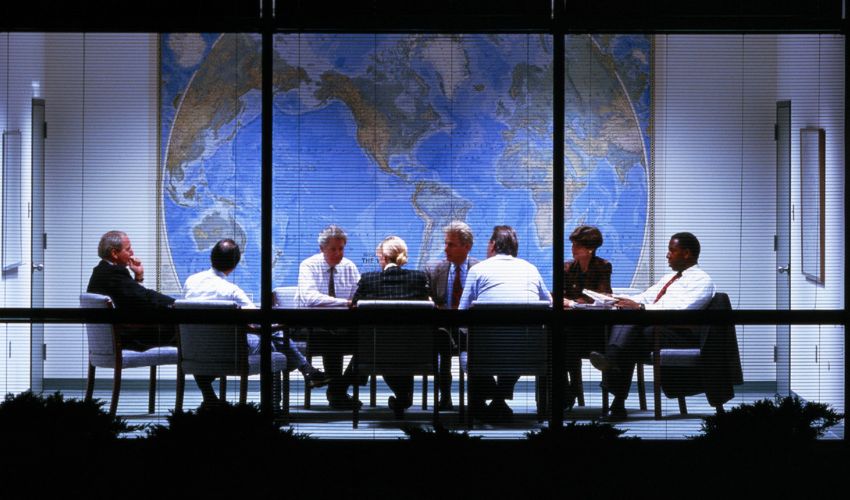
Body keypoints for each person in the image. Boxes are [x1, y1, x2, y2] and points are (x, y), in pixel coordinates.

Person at [183, 239, 329, 405]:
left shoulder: (190, 282)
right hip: (231, 353)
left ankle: (210, 398)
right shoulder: (231, 292)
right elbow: (258, 320)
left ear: (211, 257)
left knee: (272, 336)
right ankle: (301, 375)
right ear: (235, 263)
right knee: (274, 336)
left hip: (195, 351)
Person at [590, 232, 715, 419]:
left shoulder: (702, 280)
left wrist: (640, 308)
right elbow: (646, 297)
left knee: (629, 334)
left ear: (687, 253)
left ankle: (612, 364)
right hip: (655, 330)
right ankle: (616, 395)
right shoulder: (670, 278)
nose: (667, 255)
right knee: (628, 334)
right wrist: (620, 300)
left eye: (672, 251)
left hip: (678, 333)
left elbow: (682, 310)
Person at [458, 225, 551, 421]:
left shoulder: (478, 270)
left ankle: (489, 402)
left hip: (485, 354)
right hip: (528, 353)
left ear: (492, 245)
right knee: (515, 348)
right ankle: (499, 400)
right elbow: (548, 305)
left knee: (469, 350)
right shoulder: (530, 269)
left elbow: (462, 316)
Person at [351, 236, 431, 418]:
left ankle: (340, 385)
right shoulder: (418, 278)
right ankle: (404, 398)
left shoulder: (368, 279)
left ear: (383, 258)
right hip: (414, 352)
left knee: (385, 343)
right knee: (402, 341)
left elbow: (355, 307)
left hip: (376, 352)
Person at [295, 224, 363, 409]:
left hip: (342, 326)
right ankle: (337, 393)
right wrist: (345, 303)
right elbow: (310, 298)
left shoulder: (349, 267)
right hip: (311, 326)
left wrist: (352, 302)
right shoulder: (308, 265)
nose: (339, 253)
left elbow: (359, 296)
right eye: (333, 249)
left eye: (341, 248)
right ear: (322, 249)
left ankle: (338, 389)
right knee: (332, 337)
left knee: (369, 340)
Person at [86, 230, 176, 351]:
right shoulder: (114, 273)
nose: (132, 252)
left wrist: (138, 276)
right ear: (114, 253)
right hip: (128, 340)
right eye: (128, 249)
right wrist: (173, 303)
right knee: (182, 329)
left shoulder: (101, 271)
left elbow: (135, 297)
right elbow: (145, 298)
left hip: (116, 338)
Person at [424, 221, 479, 410]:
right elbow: (427, 300)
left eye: (451, 244)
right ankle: (445, 397)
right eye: (445, 243)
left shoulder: (479, 270)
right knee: (441, 338)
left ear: (467, 247)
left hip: (471, 330)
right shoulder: (433, 270)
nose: (445, 249)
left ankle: (477, 400)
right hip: (443, 329)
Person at [562, 225, 612, 411]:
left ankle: (571, 391)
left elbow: (602, 295)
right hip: (572, 328)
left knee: (566, 342)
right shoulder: (567, 268)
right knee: (561, 341)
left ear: (590, 249)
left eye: (577, 245)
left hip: (595, 331)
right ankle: (569, 390)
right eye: (573, 244)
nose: (573, 249)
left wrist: (573, 302)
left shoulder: (603, 266)